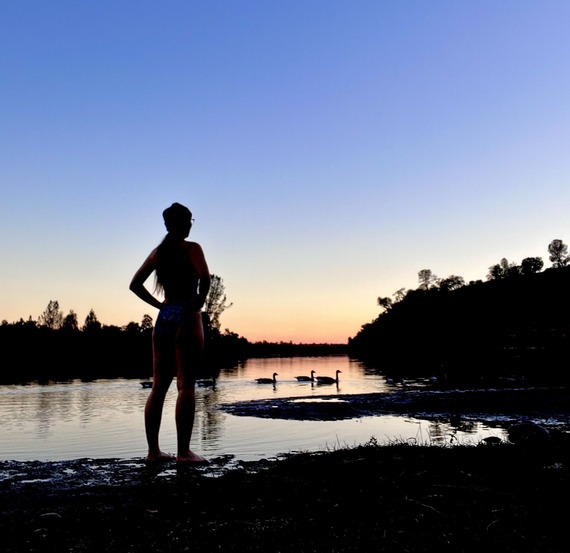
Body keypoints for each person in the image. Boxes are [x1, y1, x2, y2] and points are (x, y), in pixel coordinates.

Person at [130, 202, 211, 464]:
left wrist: (160, 305)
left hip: (165, 319)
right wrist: (200, 299)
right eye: (189, 220)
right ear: (182, 223)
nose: (190, 225)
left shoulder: (159, 253)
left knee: (158, 387)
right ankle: (183, 453)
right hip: (187, 316)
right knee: (186, 385)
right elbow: (206, 277)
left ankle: (153, 452)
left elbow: (135, 285)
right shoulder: (192, 248)